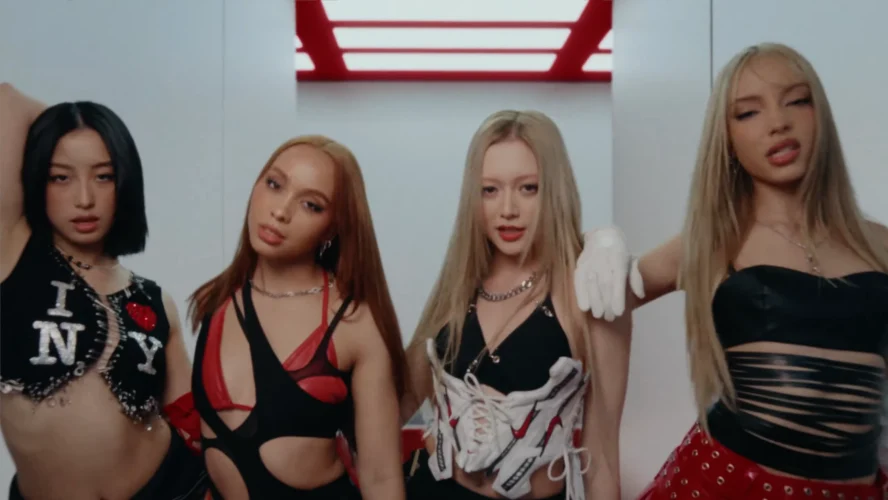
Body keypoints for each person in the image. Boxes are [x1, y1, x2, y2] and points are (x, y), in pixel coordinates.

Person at [576, 43, 888, 498]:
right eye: (748, 113)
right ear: (726, 139)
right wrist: (599, 241)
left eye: (797, 100)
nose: (778, 122)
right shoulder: (711, 243)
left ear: (820, 113)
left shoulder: (879, 244)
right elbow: (591, 301)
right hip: (724, 484)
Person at [401, 110, 633, 500]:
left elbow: (603, 458)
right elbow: (397, 401)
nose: (507, 209)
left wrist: (606, 237)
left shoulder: (587, 288)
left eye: (528, 188)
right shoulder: (458, 285)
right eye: (489, 190)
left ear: (554, 190)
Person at [0, 83, 206, 499]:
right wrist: (69, 123)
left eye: (104, 176)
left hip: (174, 488)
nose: (84, 199)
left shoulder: (153, 298)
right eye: (61, 177)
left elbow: (189, 416)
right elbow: (5, 101)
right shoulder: (12, 255)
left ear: (124, 181)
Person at [187, 135, 407, 499]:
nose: (280, 211)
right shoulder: (218, 299)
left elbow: (381, 478)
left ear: (333, 227)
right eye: (274, 184)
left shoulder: (354, 321)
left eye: (310, 205)